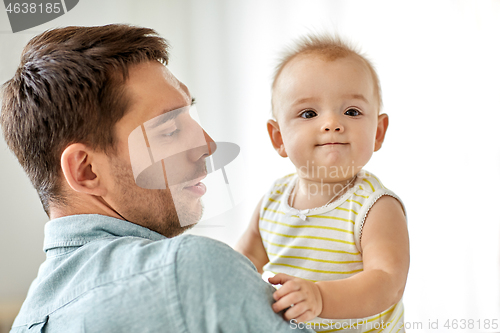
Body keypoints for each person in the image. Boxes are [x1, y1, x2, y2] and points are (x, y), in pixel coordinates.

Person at [0, 24, 315, 333]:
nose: (208, 145)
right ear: (86, 170)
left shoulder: (26, 322)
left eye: (189, 114)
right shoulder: (191, 272)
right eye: (170, 130)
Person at [236, 34, 409, 333]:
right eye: (309, 113)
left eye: (351, 111)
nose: (331, 123)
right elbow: (245, 259)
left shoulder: (375, 207)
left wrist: (320, 296)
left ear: (378, 132)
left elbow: (387, 282)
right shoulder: (273, 200)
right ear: (278, 138)